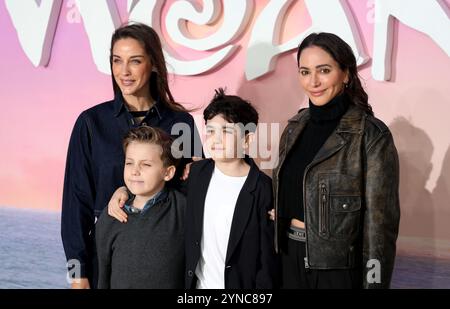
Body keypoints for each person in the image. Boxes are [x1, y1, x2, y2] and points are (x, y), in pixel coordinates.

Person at [61, 23, 201, 289]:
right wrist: (77, 275)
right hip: (105, 261)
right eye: (117, 61)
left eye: (134, 61)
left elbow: (192, 195)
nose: (123, 71)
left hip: (165, 261)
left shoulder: (180, 124)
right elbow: (74, 206)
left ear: (154, 64)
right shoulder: (91, 123)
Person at [272, 32, 400, 289]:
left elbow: (379, 228)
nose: (313, 82)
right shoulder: (293, 128)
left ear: (346, 74)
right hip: (288, 259)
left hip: (338, 270)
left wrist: (374, 284)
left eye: (324, 70)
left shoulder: (371, 135)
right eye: (305, 72)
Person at [184, 89, 279, 289]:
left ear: (247, 139)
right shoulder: (197, 173)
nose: (215, 139)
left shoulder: (262, 188)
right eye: (210, 131)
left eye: (226, 131)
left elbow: (267, 259)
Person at [96, 126, 185, 288]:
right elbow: (102, 274)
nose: (134, 171)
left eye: (146, 165)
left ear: (168, 173)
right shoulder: (111, 215)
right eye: (129, 163)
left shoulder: (184, 210)